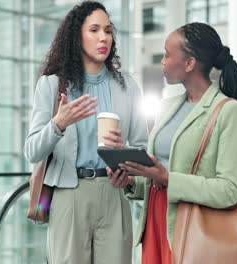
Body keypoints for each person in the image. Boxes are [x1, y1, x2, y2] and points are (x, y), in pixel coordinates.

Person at [107, 22, 237, 264]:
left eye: (168, 55)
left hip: (193, 231)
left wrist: (168, 179)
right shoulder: (168, 107)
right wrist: (131, 181)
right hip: (156, 222)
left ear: (189, 63)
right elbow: (158, 174)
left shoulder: (230, 111)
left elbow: (230, 191)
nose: (163, 62)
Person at [23, 2, 147, 264]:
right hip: (70, 195)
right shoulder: (52, 84)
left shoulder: (128, 87)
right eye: (94, 30)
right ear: (76, 36)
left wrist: (125, 156)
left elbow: (142, 149)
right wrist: (58, 123)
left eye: (108, 31)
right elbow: (32, 150)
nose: (104, 37)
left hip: (114, 194)